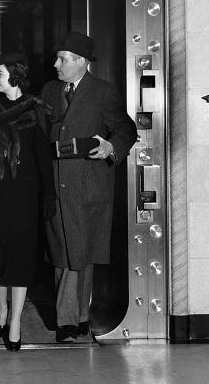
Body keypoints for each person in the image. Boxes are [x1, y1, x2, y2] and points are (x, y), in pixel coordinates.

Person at [41, 31, 138, 344]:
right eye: (58, 58)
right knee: (64, 255)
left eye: (63, 59)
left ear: (81, 62)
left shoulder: (103, 92)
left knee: (81, 254)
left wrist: (111, 148)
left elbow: (125, 128)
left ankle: (77, 318)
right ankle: (69, 321)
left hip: (88, 186)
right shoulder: (49, 90)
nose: (56, 64)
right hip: (57, 185)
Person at [0, 54, 56, 351]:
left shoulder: (34, 109)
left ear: (14, 77)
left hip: (25, 196)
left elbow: (43, 157)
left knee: (21, 258)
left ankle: (15, 320)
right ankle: (1, 307)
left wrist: (49, 195)